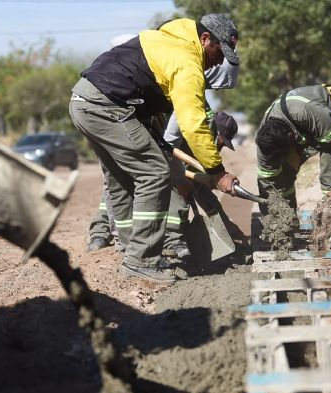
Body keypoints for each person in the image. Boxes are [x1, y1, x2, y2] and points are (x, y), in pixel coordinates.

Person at [70, 14, 241, 285]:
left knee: (120, 179)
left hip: (85, 101)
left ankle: (131, 251)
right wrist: (218, 172)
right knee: (155, 173)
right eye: (219, 52)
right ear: (205, 39)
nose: (219, 60)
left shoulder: (167, 40)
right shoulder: (187, 63)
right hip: (105, 106)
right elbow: (192, 124)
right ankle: (141, 260)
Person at [86, 59, 240, 257]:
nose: (219, 148)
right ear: (215, 132)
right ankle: (104, 233)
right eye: (220, 142)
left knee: (126, 183)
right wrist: (189, 177)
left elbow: (197, 180)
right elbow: (179, 166)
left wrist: (223, 220)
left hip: (155, 136)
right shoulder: (197, 123)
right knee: (122, 182)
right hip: (136, 130)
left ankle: (110, 234)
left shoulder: (200, 116)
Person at [255, 83, 331, 214]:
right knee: (285, 171)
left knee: (330, 152)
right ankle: (289, 216)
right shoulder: (264, 140)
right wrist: (271, 215)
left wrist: (301, 152)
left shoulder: (309, 112)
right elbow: (267, 180)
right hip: (302, 125)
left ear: (291, 137)